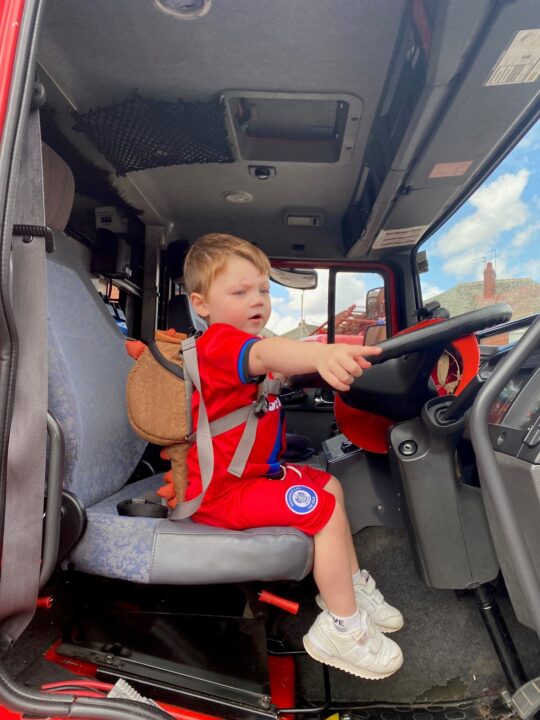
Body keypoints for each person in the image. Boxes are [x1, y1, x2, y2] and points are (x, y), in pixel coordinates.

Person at [183, 233, 404, 680]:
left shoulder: (246, 344)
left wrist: (318, 369)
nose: (257, 300)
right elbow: (267, 354)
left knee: (327, 484)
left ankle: (350, 590)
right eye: (240, 291)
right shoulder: (218, 344)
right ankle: (341, 631)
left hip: (251, 476)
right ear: (201, 304)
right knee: (319, 509)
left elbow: (274, 362)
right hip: (220, 493)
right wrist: (321, 353)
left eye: (263, 290)